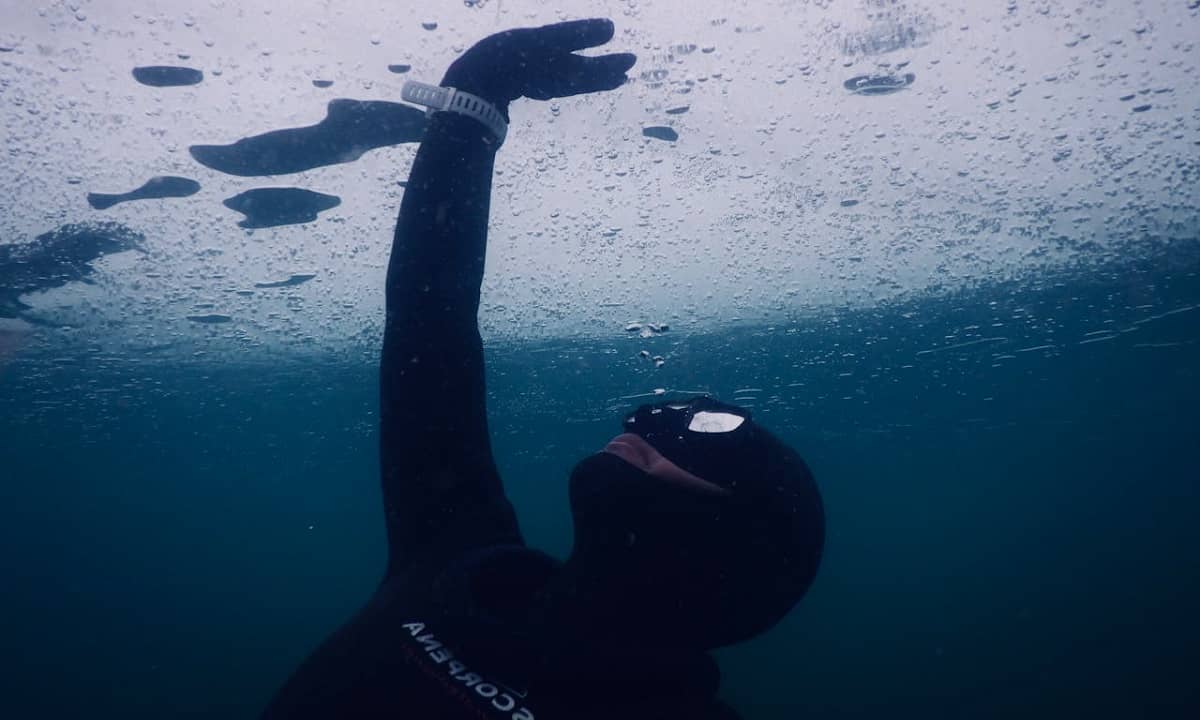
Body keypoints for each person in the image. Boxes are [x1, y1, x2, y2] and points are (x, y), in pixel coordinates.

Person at [262, 19, 824, 720]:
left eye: (709, 432)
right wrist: (474, 104)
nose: (645, 419)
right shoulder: (457, 555)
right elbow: (429, 322)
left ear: (742, 539)